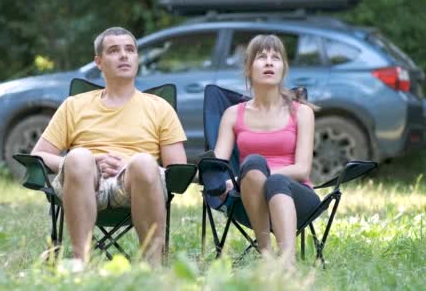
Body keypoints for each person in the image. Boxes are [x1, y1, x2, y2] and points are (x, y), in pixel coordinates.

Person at [31, 27, 187, 266]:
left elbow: (178, 170)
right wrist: (74, 163)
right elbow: (39, 155)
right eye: (114, 51)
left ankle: (154, 268)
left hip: (135, 185)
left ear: (137, 58)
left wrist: (130, 166)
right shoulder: (74, 105)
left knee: (144, 162)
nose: (124, 55)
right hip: (84, 182)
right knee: (79, 156)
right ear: (99, 62)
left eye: (130, 50)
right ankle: (80, 264)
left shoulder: (159, 107)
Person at [213, 34, 319, 267]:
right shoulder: (233, 114)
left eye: (276, 57)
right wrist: (219, 182)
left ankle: (286, 264)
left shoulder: (301, 112)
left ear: (283, 68)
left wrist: (249, 177)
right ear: (249, 69)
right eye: (262, 57)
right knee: (252, 162)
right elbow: (217, 166)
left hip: (298, 196)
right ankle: (268, 257)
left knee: (272, 180)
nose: (269, 62)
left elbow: (302, 170)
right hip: (246, 201)